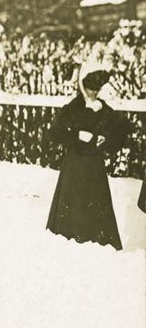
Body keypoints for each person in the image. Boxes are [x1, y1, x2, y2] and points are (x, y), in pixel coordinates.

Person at [46, 66, 130, 249]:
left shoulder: (104, 109)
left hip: (94, 166)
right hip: (74, 165)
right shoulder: (72, 108)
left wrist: (106, 139)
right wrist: (76, 137)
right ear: (83, 86)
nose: (94, 92)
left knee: (96, 206)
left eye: (97, 88)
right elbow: (54, 133)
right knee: (71, 212)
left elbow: (123, 130)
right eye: (91, 87)